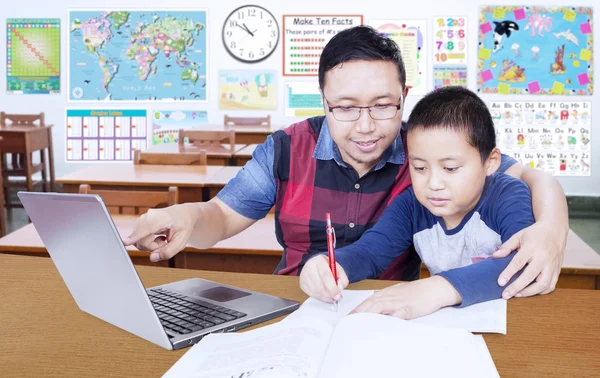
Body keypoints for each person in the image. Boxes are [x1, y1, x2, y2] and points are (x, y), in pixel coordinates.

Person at [124, 26, 568, 300]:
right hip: (299, 301)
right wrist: (185, 214)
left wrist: (550, 228)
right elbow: (220, 215)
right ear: (324, 102)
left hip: (390, 307)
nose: (366, 126)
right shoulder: (286, 147)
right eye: (346, 107)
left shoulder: (427, 147)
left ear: (403, 99)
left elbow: (527, 176)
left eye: (382, 105)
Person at [300, 86, 534, 318]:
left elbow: (523, 262)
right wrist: (329, 266)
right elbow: (371, 251)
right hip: (449, 328)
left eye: (450, 168)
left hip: (514, 321)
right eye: (420, 167)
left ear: (490, 162)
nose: (433, 183)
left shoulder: (508, 195)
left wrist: (436, 288)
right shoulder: (412, 206)